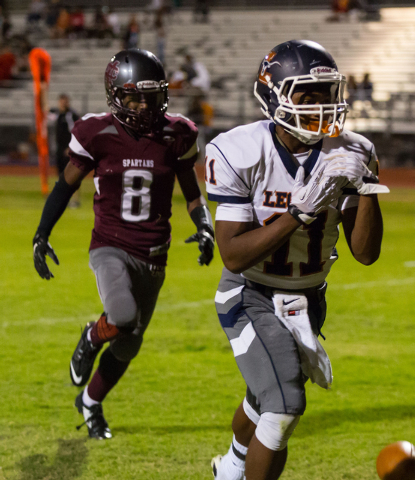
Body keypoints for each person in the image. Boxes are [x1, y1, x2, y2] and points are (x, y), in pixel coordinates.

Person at [205, 40, 389, 480]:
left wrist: (366, 189)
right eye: (308, 96)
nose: (323, 107)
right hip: (250, 292)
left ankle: (230, 466)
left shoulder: (351, 150)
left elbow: (365, 253)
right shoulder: (238, 150)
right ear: (273, 96)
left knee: (262, 394)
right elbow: (231, 255)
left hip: (308, 298)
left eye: (328, 94)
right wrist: (298, 213)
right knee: (285, 403)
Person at [32, 49, 215, 440]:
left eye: (151, 96)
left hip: (154, 253)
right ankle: (90, 336)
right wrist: (41, 233)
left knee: (129, 345)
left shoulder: (177, 133)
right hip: (110, 245)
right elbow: (66, 185)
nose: (144, 104)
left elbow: (192, 192)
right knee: (122, 313)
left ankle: (91, 402)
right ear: (115, 94)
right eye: (134, 96)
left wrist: (205, 226)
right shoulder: (96, 132)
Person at [49, 93, 80, 207]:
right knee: (60, 175)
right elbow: (44, 112)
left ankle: (75, 200)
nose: (63, 103)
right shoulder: (56, 114)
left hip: (69, 149)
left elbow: (77, 131)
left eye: (65, 101)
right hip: (59, 149)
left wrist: (71, 147)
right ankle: (62, 199)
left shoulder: (71, 115)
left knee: (72, 176)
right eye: (62, 101)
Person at [28, 44, 51, 196]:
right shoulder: (41, 85)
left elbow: (43, 103)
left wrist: (45, 106)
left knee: (43, 149)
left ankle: (45, 184)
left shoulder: (40, 86)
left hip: (41, 118)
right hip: (41, 117)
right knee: (42, 149)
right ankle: (44, 183)